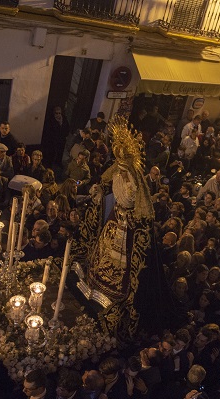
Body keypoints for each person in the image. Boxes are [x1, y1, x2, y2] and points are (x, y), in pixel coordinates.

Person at [78, 117, 157, 339]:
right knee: (104, 250)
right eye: (118, 167)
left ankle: (114, 290)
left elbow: (143, 211)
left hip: (127, 225)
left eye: (124, 168)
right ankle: (96, 280)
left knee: (121, 259)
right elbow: (105, 183)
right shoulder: (116, 172)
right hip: (114, 219)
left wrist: (130, 218)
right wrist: (98, 190)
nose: (120, 172)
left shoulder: (136, 183)